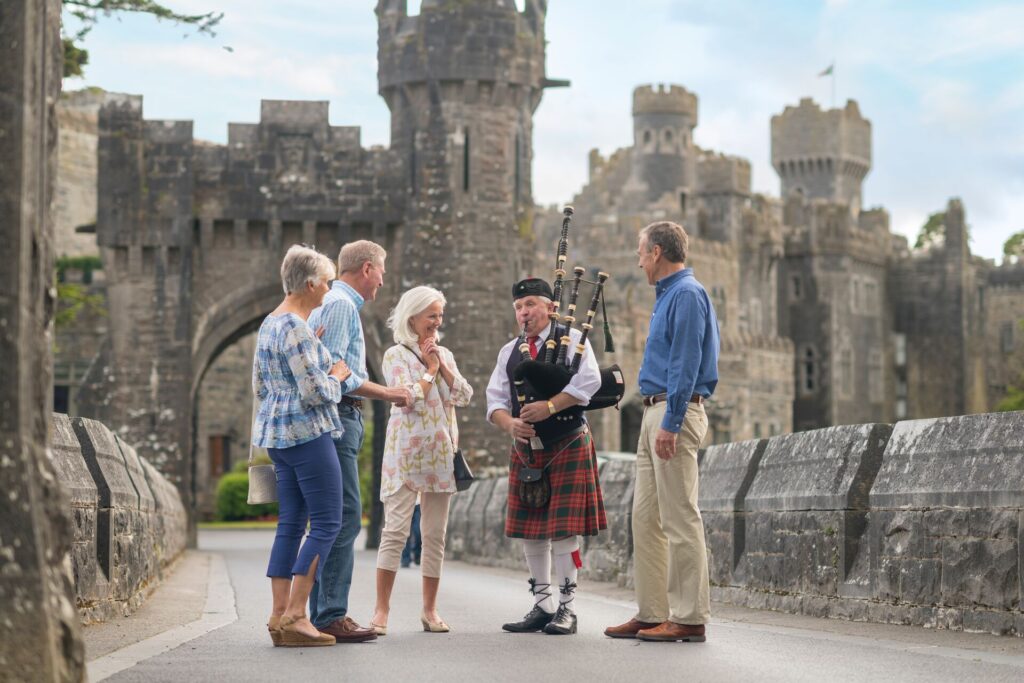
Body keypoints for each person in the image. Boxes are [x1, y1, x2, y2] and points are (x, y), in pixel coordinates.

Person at [604, 221, 719, 644]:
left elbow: (686, 363)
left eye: (640, 251)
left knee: (680, 517)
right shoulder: (668, 295)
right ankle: (652, 612)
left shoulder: (687, 294)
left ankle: (689, 617)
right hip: (653, 411)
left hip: (674, 413)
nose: (637, 260)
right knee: (645, 519)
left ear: (656, 252)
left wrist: (670, 422)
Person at [305, 240, 412, 643]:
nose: (383, 280)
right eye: (382, 271)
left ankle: (316, 612)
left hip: (341, 420)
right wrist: (391, 393)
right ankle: (329, 614)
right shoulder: (341, 305)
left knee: (331, 517)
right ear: (367, 269)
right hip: (338, 420)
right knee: (344, 516)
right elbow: (336, 373)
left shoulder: (336, 305)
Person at [486, 277, 606, 636]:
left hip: (567, 441)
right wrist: (510, 425)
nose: (524, 313)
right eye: (519, 308)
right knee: (531, 534)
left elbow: (589, 382)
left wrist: (551, 405)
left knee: (564, 532)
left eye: (531, 306)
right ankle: (542, 606)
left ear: (550, 308)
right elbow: (494, 401)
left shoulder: (571, 342)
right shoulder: (509, 352)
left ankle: (567, 609)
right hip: (527, 450)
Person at [253, 245, 351, 647]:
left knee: (290, 523)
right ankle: (296, 614)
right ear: (310, 283)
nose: (328, 291)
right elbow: (314, 391)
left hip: (277, 436)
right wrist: (339, 376)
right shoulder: (294, 326)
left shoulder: (270, 323)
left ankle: (278, 615)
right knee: (329, 520)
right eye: (326, 283)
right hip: (307, 434)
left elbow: (262, 386)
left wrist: (314, 348)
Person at [371, 286, 473, 635]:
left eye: (439, 316)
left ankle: (430, 610)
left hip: (441, 455)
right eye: (431, 315)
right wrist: (429, 370)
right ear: (411, 316)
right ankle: (381, 610)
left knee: (434, 535)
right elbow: (408, 399)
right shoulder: (394, 355)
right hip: (405, 455)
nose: (436, 322)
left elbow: (463, 394)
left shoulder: (444, 353)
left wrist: (441, 365)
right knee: (395, 532)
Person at [400, 503, 422, 568]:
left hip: (420, 503)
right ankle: (405, 558)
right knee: (406, 530)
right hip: (406, 501)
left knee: (419, 531)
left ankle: (417, 553)